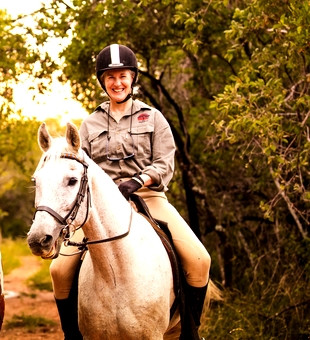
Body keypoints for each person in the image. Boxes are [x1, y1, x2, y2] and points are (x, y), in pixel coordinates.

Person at [49, 44, 212, 339]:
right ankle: (72, 334)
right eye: (110, 77)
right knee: (59, 271)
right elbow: (79, 165)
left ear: (132, 78)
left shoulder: (153, 118)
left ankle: (190, 331)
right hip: (100, 206)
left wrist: (139, 181)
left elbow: (164, 163)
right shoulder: (89, 123)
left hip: (149, 197)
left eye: (123, 75)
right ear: (102, 81)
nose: (117, 83)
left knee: (200, 260)